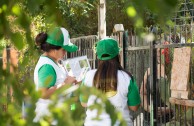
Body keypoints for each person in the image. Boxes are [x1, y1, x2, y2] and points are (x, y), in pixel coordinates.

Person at [80, 38, 141, 126]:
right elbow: (134, 107)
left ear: (98, 56)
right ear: (118, 55)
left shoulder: (88, 76)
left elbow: (84, 103)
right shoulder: (127, 77)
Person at [33, 27, 78, 124]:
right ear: (53, 49)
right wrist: (65, 84)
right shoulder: (47, 66)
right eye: (64, 50)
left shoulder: (55, 62)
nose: (66, 53)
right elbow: (43, 94)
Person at [140, 48, 173, 126]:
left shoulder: (174, 72)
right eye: (157, 50)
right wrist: (148, 108)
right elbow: (142, 93)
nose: (158, 53)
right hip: (148, 120)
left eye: (161, 50)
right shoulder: (149, 70)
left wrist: (167, 109)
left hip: (168, 121)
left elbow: (180, 101)